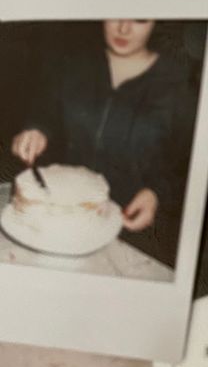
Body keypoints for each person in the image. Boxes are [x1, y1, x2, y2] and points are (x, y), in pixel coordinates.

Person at [11, 20, 197, 264]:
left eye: (139, 19)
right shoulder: (77, 63)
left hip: (136, 230)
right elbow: (46, 109)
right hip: (67, 215)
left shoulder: (178, 84)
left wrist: (156, 193)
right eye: (117, 14)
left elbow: (188, 161)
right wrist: (36, 129)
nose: (123, 28)